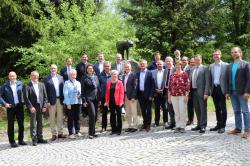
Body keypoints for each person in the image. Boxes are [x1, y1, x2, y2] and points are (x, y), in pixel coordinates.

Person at [226, 47, 250, 139]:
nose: (234, 53)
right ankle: (238, 128)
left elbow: (249, 79)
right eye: (232, 52)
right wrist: (227, 92)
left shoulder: (246, 64)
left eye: (235, 52)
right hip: (232, 92)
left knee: (245, 111)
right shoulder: (230, 66)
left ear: (240, 53)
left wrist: (247, 91)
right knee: (236, 111)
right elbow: (228, 79)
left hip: (242, 92)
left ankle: (247, 130)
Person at [0, 71, 26, 147]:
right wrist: (5, 104)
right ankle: (12, 142)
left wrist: (24, 102)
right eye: (10, 76)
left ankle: (21, 140)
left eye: (13, 76)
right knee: (11, 125)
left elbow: (25, 93)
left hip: (19, 106)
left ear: (16, 76)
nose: (12, 77)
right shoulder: (4, 86)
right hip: (10, 107)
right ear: (8, 77)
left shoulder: (20, 84)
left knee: (21, 124)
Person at [24, 71, 48, 146]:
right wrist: (30, 107)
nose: (35, 77)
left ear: (38, 76)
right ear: (31, 76)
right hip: (33, 107)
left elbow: (45, 97)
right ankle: (34, 139)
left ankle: (40, 137)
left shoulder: (42, 85)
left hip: (41, 107)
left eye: (36, 76)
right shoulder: (27, 86)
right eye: (33, 76)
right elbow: (26, 98)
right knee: (33, 124)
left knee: (41, 123)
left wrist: (44, 106)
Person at [44, 64, 66, 141]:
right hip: (51, 101)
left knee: (60, 117)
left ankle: (60, 133)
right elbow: (45, 91)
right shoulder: (46, 78)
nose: (53, 70)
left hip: (60, 100)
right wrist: (47, 102)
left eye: (55, 68)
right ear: (50, 69)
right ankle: (54, 134)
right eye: (52, 68)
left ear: (57, 69)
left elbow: (64, 89)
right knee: (52, 118)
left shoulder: (61, 77)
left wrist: (65, 100)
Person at [190, 54, 211, 133]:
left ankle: (203, 126)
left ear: (201, 59)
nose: (196, 61)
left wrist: (206, 93)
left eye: (198, 59)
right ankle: (199, 124)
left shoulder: (205, 68)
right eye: (195, 60)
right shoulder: (192, 69)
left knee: (203, 109)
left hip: (202, 92)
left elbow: (208, 82)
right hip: (193, 91)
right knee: (197, 109)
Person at [209, 49, 228, 133]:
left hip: (222, 88)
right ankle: (218, 124)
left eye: (217, 54)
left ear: (220, 55)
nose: (216, 56)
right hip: (214, 89)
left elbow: (228, 79)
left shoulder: (226, 65)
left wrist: (227, 91)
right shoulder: (211, 66)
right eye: (214, 55)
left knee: (223, 107)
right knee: (217, 108)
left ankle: (223, 126)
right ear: (213, 57)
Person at [168, 60, 190, 133]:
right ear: (175, 66)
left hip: (182, 96)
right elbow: (170, 87)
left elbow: (187, 86)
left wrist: (186, 96)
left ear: (181, 66)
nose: (177, 66)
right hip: (174, 96)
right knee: (176, 112)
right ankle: (177, 126)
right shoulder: (172, 75)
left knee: (182, 111)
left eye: (179, 65)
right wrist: (169, 97)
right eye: (176, 65)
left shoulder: (184, 74)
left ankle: (183, 126)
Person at [81, 64, 100, 139]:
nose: (90, 69)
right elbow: (82, 90)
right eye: (88, 68)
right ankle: (90, 133)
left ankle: (93, 132)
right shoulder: (84, 78)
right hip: (89, 99)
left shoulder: (95, 77)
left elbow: (98, 88)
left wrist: (99, 100)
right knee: (92, 115)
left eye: (91, 68)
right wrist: (84, 100)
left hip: (96, 98)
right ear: (86, 70)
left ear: (93, 69)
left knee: (95, 116)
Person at [137, 59, 155, 131]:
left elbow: (152, 85)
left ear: (146, 65)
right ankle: (144, 123)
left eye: (144, 64)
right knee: (143, 110)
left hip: (148, 95)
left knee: (148, 110)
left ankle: (148, 124)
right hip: (140, 94)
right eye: (141, 64)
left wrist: (151, 95)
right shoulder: (137, 74)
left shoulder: (150, 73)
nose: (142, 65)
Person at [63, 69, 82, 139]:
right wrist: (68, 104)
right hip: (70, 103)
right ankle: (70, 133)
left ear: (76, 75)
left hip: (78, 102)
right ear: (69, 76)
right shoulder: (66, 83)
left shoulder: (78, 83)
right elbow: (65, 94)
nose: (73, 76)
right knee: (70, 118)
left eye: (74, 74)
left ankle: (77, 131)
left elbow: (80, 92)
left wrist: (79, 95)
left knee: (77, 118)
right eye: (72, 75)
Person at [105, 70, 124, 135]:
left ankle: (119, 130)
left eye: (115, 74)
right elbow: (107, 93)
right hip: (110, 101)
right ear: (111, 75)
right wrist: (107, 101)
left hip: (118, 102)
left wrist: (121, 102)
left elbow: (122, 93)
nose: (114, 75)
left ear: (117, 75)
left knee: (119, 116)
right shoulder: (108, 82)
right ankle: (113, 129)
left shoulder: (120, 82)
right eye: (113, 74)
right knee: (112, 115)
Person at [151, 60, 168, 127]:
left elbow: (167, 82)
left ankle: (165, 121)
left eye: (160, 64)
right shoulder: (152, 72)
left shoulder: (166, 71)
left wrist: (163, 89)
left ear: (163, 64)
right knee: (157, 108)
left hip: (163, 92)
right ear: (156, 65)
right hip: (156, 92)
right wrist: (155, 89)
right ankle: (156, 122)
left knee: (165, 107)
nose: (159, 65)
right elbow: (151, 83)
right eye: (158, 64)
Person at [122, 62, 138, 132]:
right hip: (125, 96)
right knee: (128, 112)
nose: (127, 68)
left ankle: (135, 126)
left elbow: (135, 86)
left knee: (134, 111)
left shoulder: (134, 75)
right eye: (125, 67)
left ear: (130, 68)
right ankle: (130, 126)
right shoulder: (123, 76)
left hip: (132, 97)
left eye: (128, 67)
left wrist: (133, 96)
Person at [99, 61, 112, 132]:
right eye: (105, 66)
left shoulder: (113, 74)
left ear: (110, 67)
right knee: (104, 112)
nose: (107, 67)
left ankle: (113, 126)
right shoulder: (100, 75)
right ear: (104, 67)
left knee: (113, 112)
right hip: (104, 96)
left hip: (112, 97)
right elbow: (98, 87)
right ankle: (104, 127)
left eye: (108, 66)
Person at [164, 56, 176, 129]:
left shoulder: (175, 69)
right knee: (169, 108)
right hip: (167, 90)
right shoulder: (165, 70)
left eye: (169, 61)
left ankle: (177, 123)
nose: (168, 62)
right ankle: (172, 122)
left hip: (174, 91)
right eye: (167, 61)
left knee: (175, 108)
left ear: (172, 62)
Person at [182, 56, 194, 125]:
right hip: (185, 89)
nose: (192, 63)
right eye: (191, 62)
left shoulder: (191, 68)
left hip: (192, 89)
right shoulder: (185, 69)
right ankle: (188, 119)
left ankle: (192, 119)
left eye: (193, 62)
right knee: (187, 105)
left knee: (191, 105)